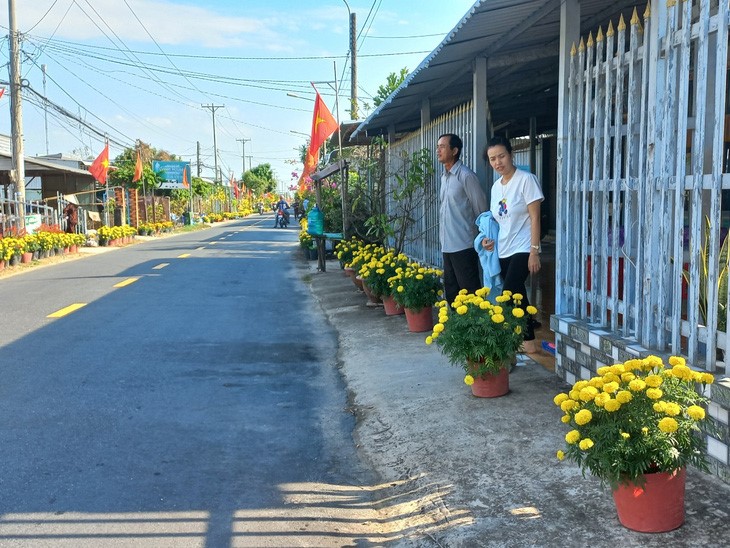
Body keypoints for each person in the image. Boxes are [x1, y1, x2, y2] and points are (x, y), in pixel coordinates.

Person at [480, 136, 544, 353]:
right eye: (492, 159)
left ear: (511, 154)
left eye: (501, 156)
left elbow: (536, 218)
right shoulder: (495, 187)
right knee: (518, 295)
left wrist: (534, 252)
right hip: (504, 248)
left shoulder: (527, 180)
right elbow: (497, 221)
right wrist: (488, 242)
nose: (498, 162)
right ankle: (529, 344)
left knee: (507, 294)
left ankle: (511, 342)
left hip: (524, 247)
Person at [437, 133, 487, 306]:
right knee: (451, 291)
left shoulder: (466, 176)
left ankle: (476, 330)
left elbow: (481, 210)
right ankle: (456, 330)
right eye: (438, 146)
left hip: (464, 244)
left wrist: (483, 237)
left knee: (470, 291)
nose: (438, 150)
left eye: (442, 146)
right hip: (447, 244)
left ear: (455, 150)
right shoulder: (444, 177)